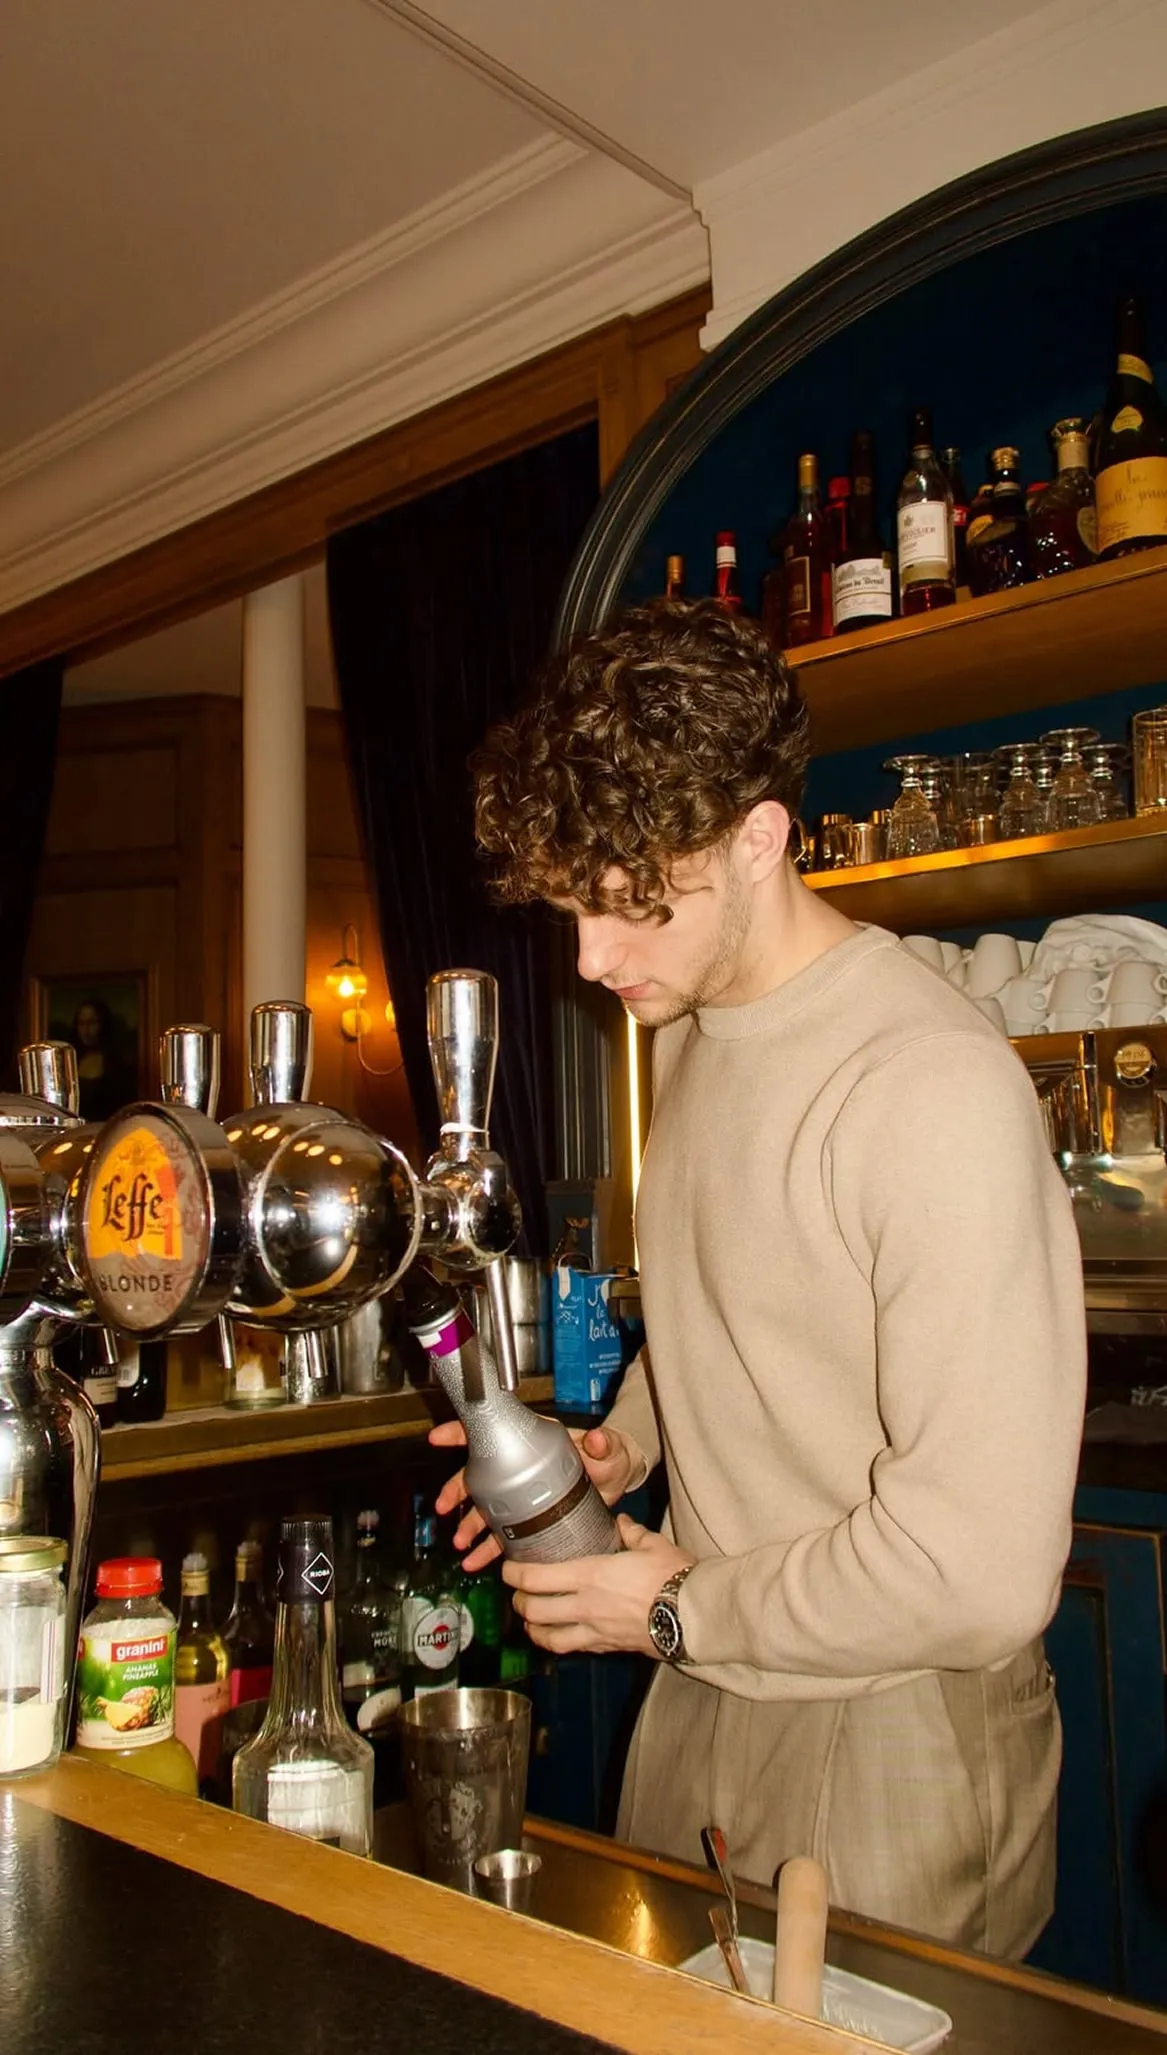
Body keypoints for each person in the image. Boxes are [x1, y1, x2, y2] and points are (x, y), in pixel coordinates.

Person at [431, 598, 1085, 1957]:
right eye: (570, 907)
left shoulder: (928, 1084)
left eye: (629, 905)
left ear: (761, 839)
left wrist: (662, 1602)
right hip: (710, 1672)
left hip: (892, 1717)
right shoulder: (695, 1032)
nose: (593, 958)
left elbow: (980, 1570)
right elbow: (729, 1293)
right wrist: (622, 1445)